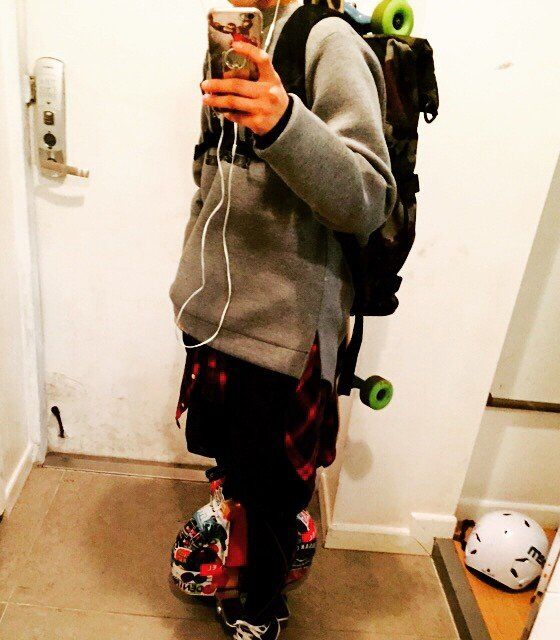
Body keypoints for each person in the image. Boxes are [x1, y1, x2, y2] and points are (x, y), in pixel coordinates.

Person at [170, 1, 396, 638]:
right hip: (215, 311)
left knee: (274, 493)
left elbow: (367, 199)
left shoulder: (328, 41)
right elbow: (210, 168)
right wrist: (192, 279)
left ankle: (262, 611)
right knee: (236, 466)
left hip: (286, 331)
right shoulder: (233, 37)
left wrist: (285, 123)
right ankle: (248, 555)